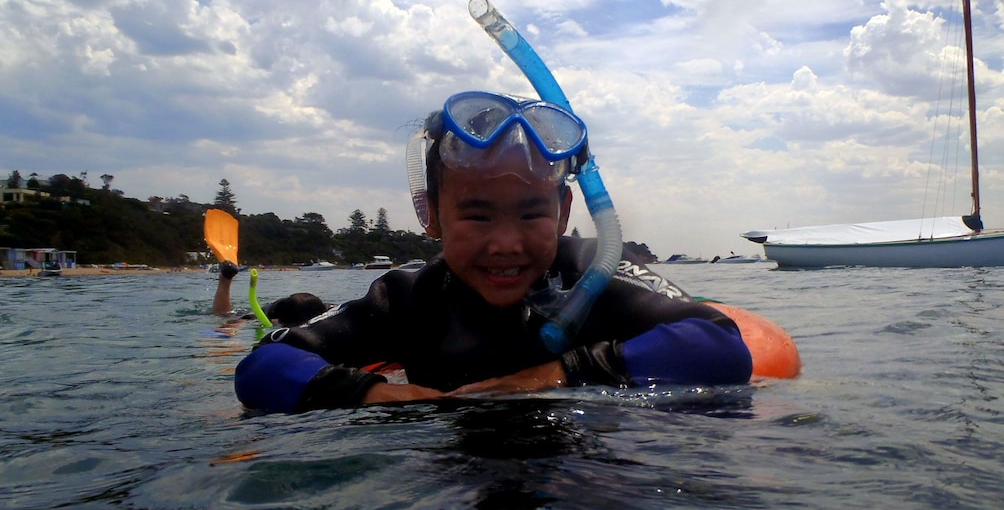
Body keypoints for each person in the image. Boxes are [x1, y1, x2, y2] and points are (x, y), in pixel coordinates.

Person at [235, 91, 752, 413]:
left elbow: (721, 345)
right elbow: (264, 366)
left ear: (564, 209)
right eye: (478, 216)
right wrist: (370, 394)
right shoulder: (410, 297)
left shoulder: (590, 273)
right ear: (432, 213)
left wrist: (558, 375)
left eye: (531, 214)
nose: (506, 244)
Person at [212, 260, 331, 327]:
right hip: (271, 311)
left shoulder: (329, 311)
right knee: (225, 315)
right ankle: (225, 279)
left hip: (308, 308)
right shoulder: (267, 317)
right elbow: (227, 323)